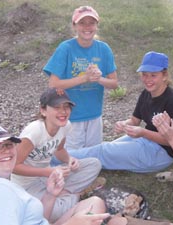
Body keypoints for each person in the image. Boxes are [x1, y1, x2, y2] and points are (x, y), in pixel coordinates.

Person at [0, 122, 122, 225]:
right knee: (111, 220)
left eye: (8, 144)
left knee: (95, 202)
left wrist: (50, 195)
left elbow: (36, 219)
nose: (5, 150)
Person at [55, 51, 173, 173]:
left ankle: (56, 158)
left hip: (162, 153)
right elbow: (135, 120)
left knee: (103, 151)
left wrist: (143, 132)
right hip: (145, 140)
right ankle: (62, 160)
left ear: (164, 76)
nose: (148, 79)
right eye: (145, 75)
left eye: (153, 75)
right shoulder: (146, 93)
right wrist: (124, 123)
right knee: (107, 147)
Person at [10, 88, 104, 223]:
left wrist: (70, 159)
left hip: (49, 176)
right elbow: (14, 166)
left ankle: (63, 195)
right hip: (27, 185)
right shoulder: (34, 132)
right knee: (50, 212)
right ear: (43, 110)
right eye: (56, 107)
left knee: (94, 164)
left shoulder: (65, 126)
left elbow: (59, 150)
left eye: (66, 107)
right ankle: (71, 197)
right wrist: (48, 171)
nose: (63, 111)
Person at [43, 5, 118, 152]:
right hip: (70, 115)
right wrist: (84, 78)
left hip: (95, 114)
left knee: (94, 152)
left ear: (97, 26)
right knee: (72, 155)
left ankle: (92, 175)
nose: (87, 27)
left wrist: (98, 79)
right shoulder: (65, 48)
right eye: (82, 23)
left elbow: (114, 83)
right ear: (74, 26)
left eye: (91, 22)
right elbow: (53, 85)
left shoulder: (104, 49)